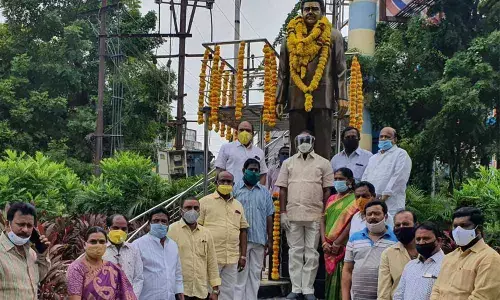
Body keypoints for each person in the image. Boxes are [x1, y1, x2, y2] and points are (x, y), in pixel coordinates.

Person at [276, 0, 348, 160]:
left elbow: (341, 69)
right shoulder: (290, 38)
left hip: (324, 97)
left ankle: (323, 182)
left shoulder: (333, 35)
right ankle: (297, 181)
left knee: (323, 148)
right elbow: (282, 72)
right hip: (296, 97)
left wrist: (342, 96)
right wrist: (279, 99)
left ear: (322, 11)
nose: (310, 12)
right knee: (297, 146)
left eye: (315, 9)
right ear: (301, 12)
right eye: (307, 9)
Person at [275, 131, 335, 300]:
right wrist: (283, 213)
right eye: (301, 140)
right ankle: (296, 288)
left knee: (311, 253)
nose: (304, 143)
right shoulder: (288, 163)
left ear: (313, 141)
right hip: (293, 215)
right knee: (294, 252)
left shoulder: (324, 163)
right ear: (295, 142)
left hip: (315, 215)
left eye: (307, 140)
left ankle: (308, 289)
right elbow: (283, 188)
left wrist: (323, 212)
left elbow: (327, 189)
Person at [198, 171, 249, 300]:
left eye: (229, 182)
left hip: (231, 258)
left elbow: (243, 230)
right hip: (211, 257)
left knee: (228, 293)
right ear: (216, 183)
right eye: (222, 181)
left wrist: (243, 255)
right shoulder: (204, 202)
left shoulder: (238, 205)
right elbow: (197, 229)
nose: (226, 184)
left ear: (233, 184)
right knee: (208, 293)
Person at [430, 207, 500, 300]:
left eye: (464, 225)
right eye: (455, 226)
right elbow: (437, 289)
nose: (458, 230)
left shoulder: (490, 258)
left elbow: (482, 297)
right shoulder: (449, 257)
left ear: (478, 229)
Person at [232, 158, 275, 300]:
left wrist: (270, 239)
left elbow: (269, 216)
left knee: (255, 275)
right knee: (239, 277)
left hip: (259, 239)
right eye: (251, 169)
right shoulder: (235, 190)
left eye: (257, 170)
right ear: (244, 171)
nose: (254, 172)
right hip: (240, 241)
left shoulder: (264, 192)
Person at [341, 201, 397, 300]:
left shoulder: (396, 240)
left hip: (385, 297)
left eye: (377, 213)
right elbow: (347, 270)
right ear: (365, 217)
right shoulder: (354, 238)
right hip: (357, 297)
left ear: (386, 216)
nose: (372, 217)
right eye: (369, 214)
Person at [168, 197, 221, 300]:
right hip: (179, 292)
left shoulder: (206, 233)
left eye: (195, 208)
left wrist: (215, 290)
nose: (192, 211)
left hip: (200, 291)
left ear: (199, 210)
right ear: (181, 211)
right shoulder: (171, 230)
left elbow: (212, 262)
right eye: (188, 208)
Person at [67, 226, 136, 300]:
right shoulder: (77, 268)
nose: (98, 245)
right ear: (85, 245)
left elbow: (127, 295)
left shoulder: (114, 269)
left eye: (102, 242)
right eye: (93, 241)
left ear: (106, 244)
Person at [320, 168, 358, 300]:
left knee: (344, 278)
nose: (337, 182)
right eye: (335, 179)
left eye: (340, 179)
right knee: (330, 282)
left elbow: (351, 223)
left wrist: (338, 242)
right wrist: (324, 242)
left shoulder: (355, 199)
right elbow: (322, 219)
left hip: (344, 246)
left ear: (350, 181)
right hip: (328, 247)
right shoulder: (331, 199)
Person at [0, 202, 50, 299]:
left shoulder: (31, 253)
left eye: (29, 225)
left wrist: (42, 253)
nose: (25, 230)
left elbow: (39, 276)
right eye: (21, 224)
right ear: (7, 224)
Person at [132, 208, 184, 300]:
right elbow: (133, 276)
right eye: (156, 221)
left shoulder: (173, 245)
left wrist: (180, 293)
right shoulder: (137, 245)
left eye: (164, 221)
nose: (160, 224)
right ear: (149, 224)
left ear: (168, 224)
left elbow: (177, 273)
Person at [362, 127, 412, 215]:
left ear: (395, 139)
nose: (383, 139)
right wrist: (366, 197)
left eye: (387, 137)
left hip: (391, 205)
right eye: (381, 136)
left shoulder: (401, 154)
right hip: (371, 204)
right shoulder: (373, 158)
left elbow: (399, 179)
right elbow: (365, 178)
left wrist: (382, 199)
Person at [394, 222, 445, 300]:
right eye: (418, 239)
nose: (421, 242)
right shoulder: (410, 266)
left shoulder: (447, 265)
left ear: (438, 240)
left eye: (426, 238)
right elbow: (399, 295)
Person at [378, 210, 419, 300]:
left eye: (406, 224)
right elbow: (384, 291)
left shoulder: (428, 251)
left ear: (416, 225)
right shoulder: (388, 254)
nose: (401, 227)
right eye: (397, 225)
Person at [103, 214, 144, 297]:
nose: (120, 231)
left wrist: (133, 297)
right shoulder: (100, 250)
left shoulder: (133, 250)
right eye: (116, 228)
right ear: (107, 229)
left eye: (124, 229)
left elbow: (138, 278)